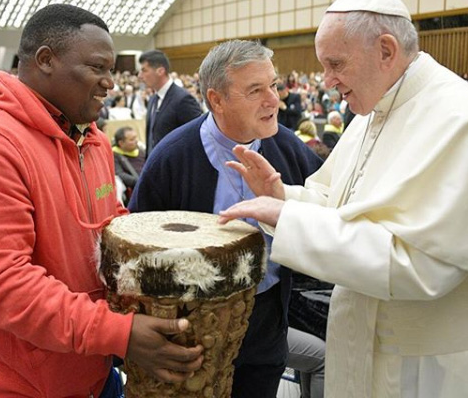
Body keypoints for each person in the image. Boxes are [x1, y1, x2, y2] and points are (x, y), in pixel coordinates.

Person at [218, 0, 468, 397]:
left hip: (437, 367)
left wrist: (288, 219)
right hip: (378, 350)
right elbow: (344, 207)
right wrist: (283, 197)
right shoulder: (373, 110)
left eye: (335, 64)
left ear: (385, 50)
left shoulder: (463, 121)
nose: (327, 81)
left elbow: (419, 262)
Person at [0, 4, 203, 397]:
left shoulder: (91, 140)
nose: (110, 82)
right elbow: (1, 285)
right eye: (97, 68)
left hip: (89, 366)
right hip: (12, 382)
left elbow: (108, 226)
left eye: (112, 70)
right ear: (46, 60)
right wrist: (119, 333)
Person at [129, 39, 323, 398]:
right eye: (255, 90)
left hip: (265, 322)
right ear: (216, 99)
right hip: (189, 328)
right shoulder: (172, 158)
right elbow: (136, 247)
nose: (273, 101)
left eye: (274, 86)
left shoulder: (291, 150)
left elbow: (327, 217)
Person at [138, 50, 202, 156]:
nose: (140, 75)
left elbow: (196, 138)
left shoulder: (183, 99)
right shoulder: (153, 99)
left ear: (160, 71)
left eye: (144, 70)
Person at [112, 126, 146, 205]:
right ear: (121, 143)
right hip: (133, 192)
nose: (136, 141)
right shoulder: (115, 155)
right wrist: (139, 181)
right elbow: (120, 174)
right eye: (131, 140)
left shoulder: (141, 151)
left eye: (135, 138)